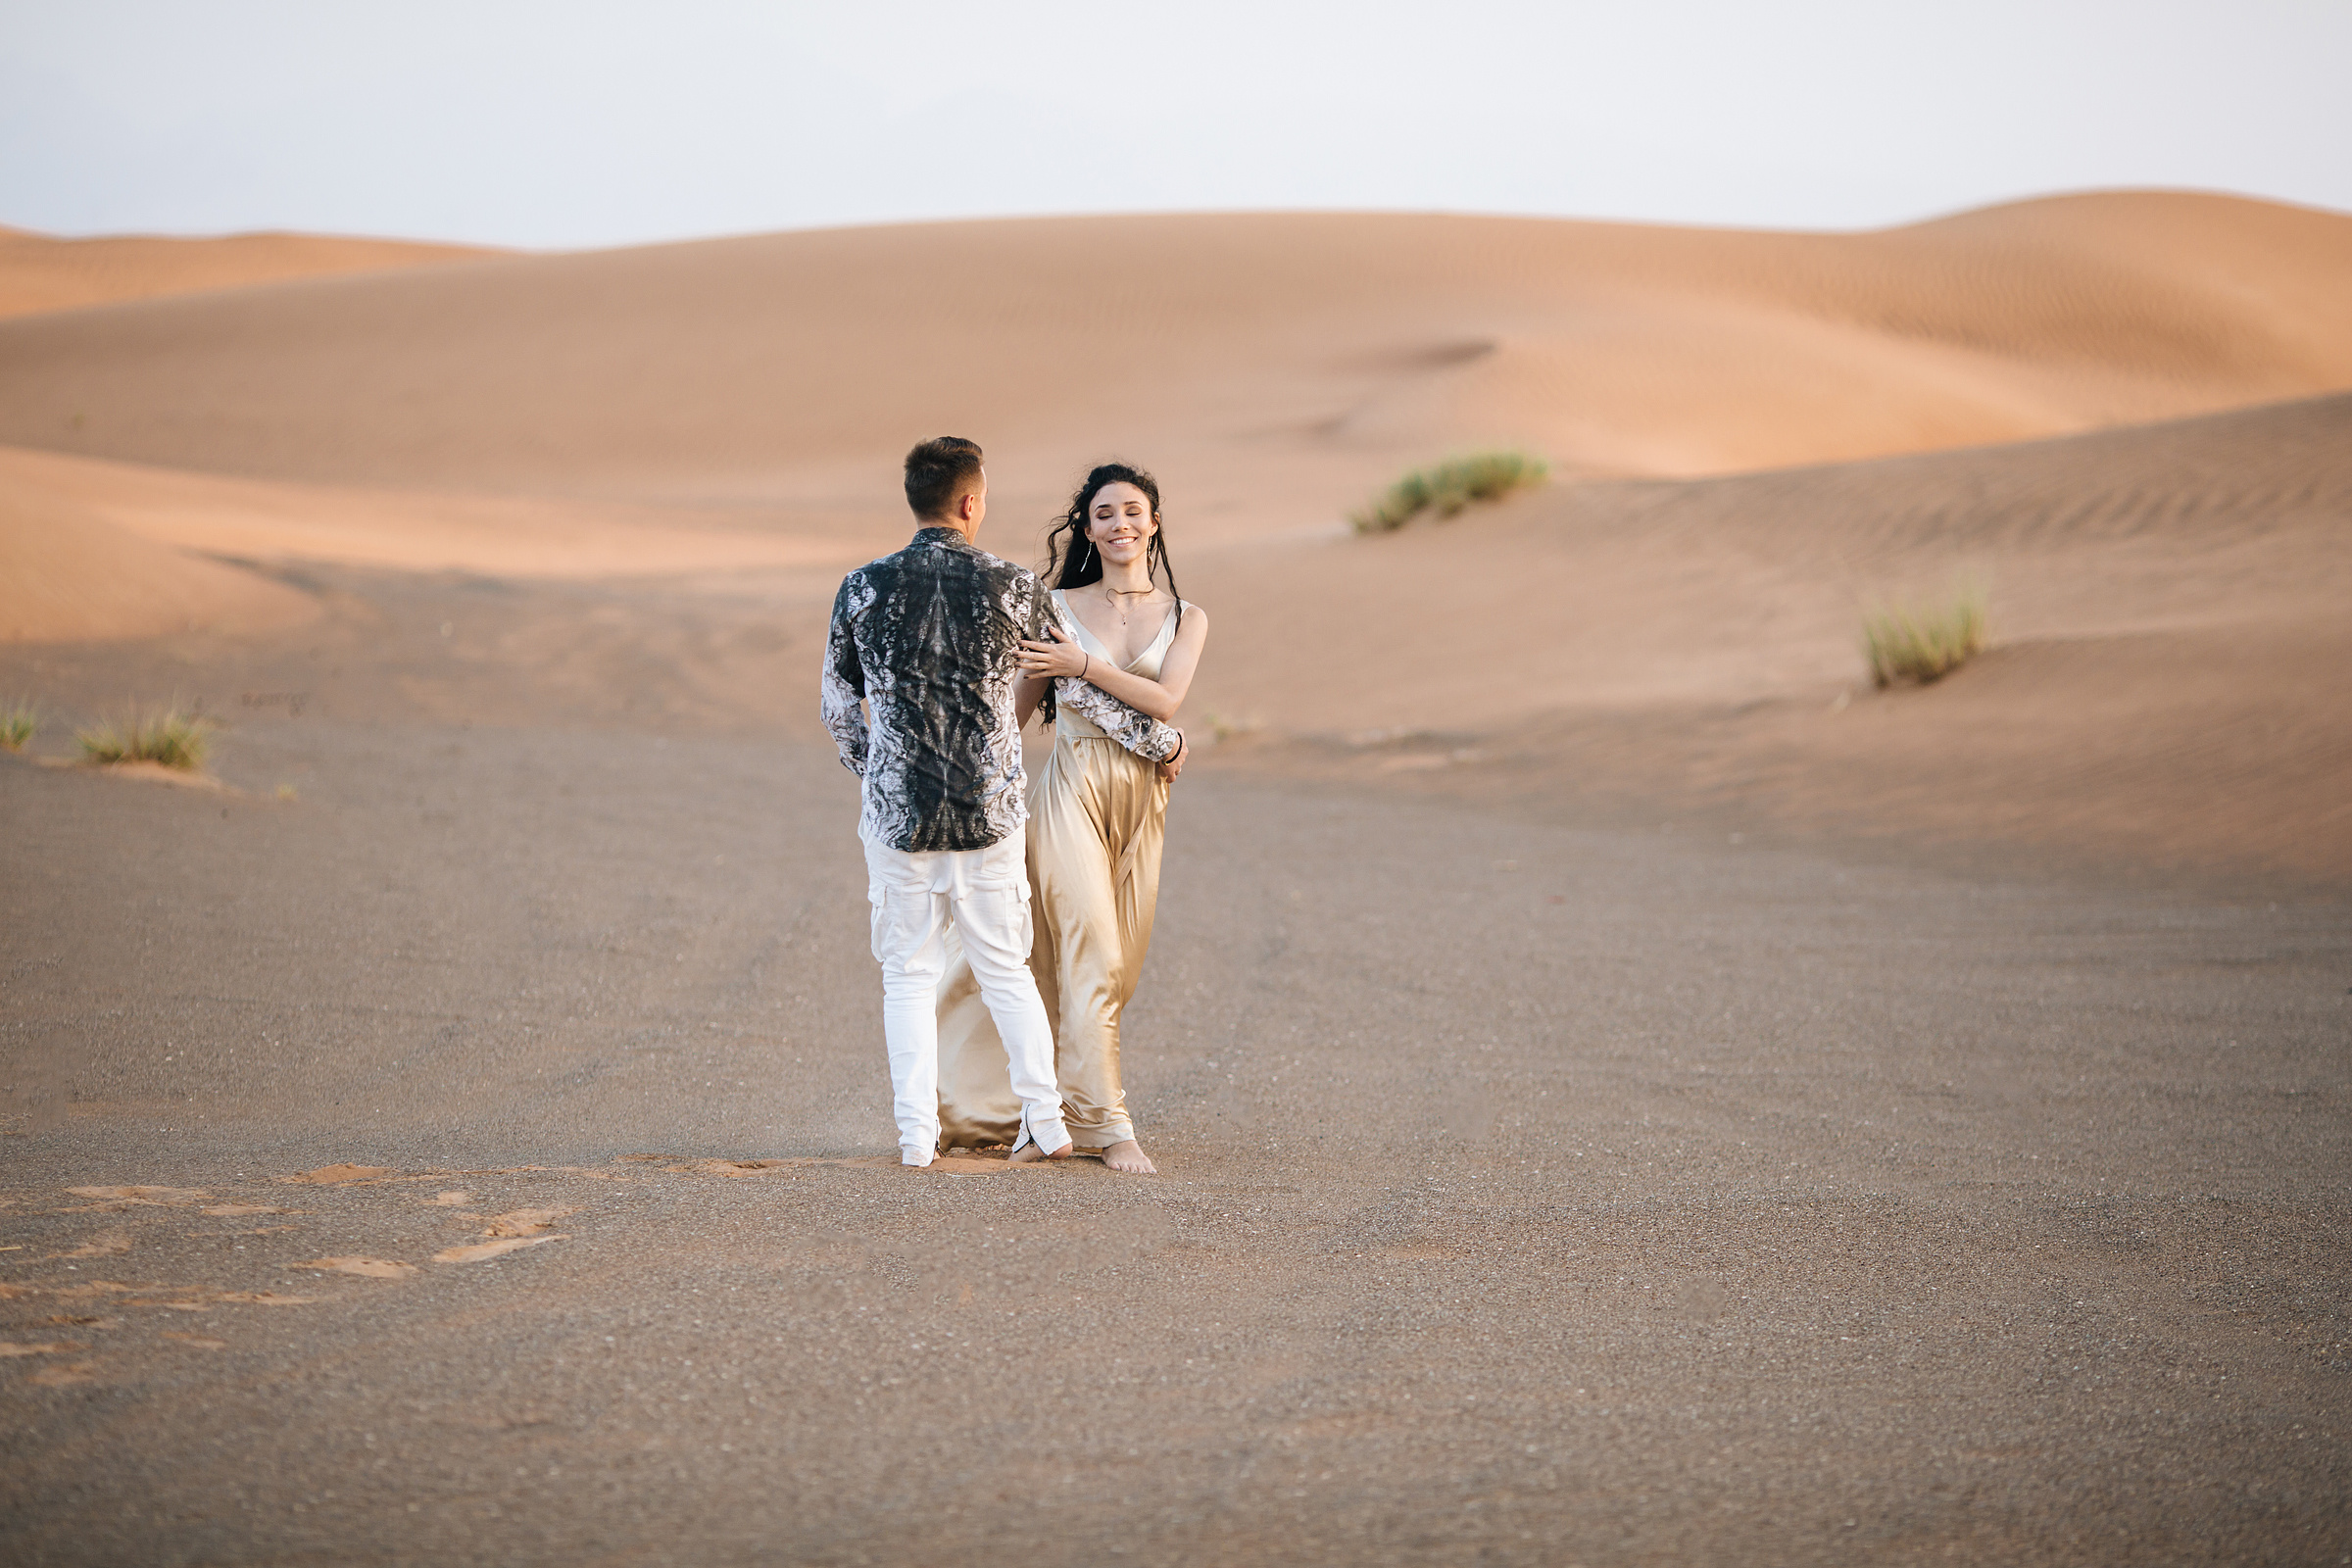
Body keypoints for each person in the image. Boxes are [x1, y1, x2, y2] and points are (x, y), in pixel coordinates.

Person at [821, 438, 1186, 1168]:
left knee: (907, 977)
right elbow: (1069, 688)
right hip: (990, 816)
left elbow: (839, 706)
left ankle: (916, 1140)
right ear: (970, 502)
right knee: (1007, 969)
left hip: (900, 820)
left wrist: (881, 781)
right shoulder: (1013, 586)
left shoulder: (861, 587)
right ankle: (1051, 1125)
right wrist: (1162, 744)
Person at [934, 463, 1209, 1175]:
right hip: (1070, 789)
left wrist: (1082, 666)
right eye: (1105, 513)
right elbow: (1018, 709)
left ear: (1153, 523)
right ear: (1086, 528)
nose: (1121, 524)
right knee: (1097, 953)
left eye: (1133, 511)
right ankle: (1108, 1127)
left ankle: (1042, 1114)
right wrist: (971, 779)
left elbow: (1166, 702)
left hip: (1145, 801)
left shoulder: (1187, 617)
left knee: (1111, 971)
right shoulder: (1053, 606)